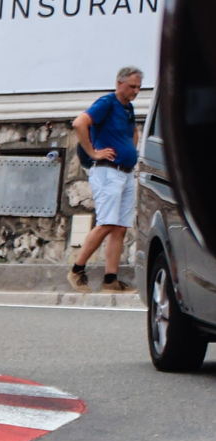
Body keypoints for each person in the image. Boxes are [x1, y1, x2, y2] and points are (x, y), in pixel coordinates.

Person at [70, 66, 144, 292]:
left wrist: (130, 151)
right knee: (107, 223)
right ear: (119, 83)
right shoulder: (107, 103)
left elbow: (132, 131)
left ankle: (110, 279)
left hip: (125, 171)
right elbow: (79, 123)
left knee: (120, 227)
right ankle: (76, 270)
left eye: (139, 87)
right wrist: (93, 152)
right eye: (132, 86)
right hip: (107, 171)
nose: (136, 91)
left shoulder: (127, 108)